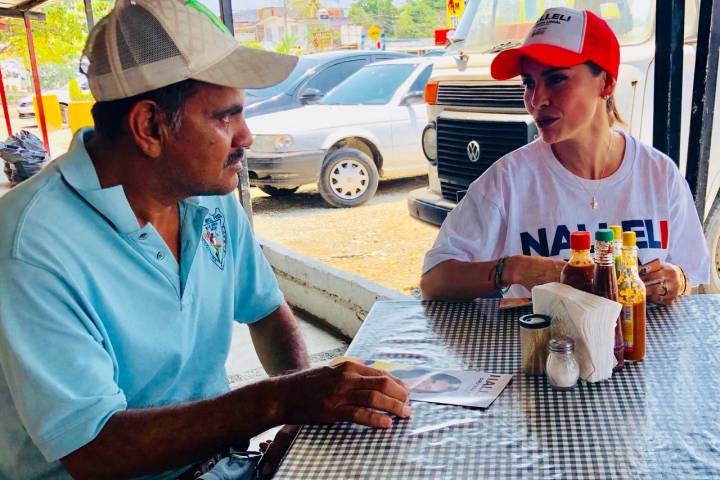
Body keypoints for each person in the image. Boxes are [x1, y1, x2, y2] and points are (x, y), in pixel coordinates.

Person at [0, 1, 410, 479]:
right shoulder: (30, 245)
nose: (246, 136)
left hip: (220, 465)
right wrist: (281, 400)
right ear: (150, 126)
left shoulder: (207, 198)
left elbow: (267, 313)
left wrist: (299, 414)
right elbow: (93, 448)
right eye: (225, 118)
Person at [421, 6, 710, 305]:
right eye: (528, 83)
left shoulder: (659, 174)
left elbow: (691, 273)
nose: (536, 100)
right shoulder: (509, 179)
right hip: (545, 336)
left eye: (556, 79)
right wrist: (514, 269)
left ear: (606, 83)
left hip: (637, 333)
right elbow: (433, 279)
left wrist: (677, 280)